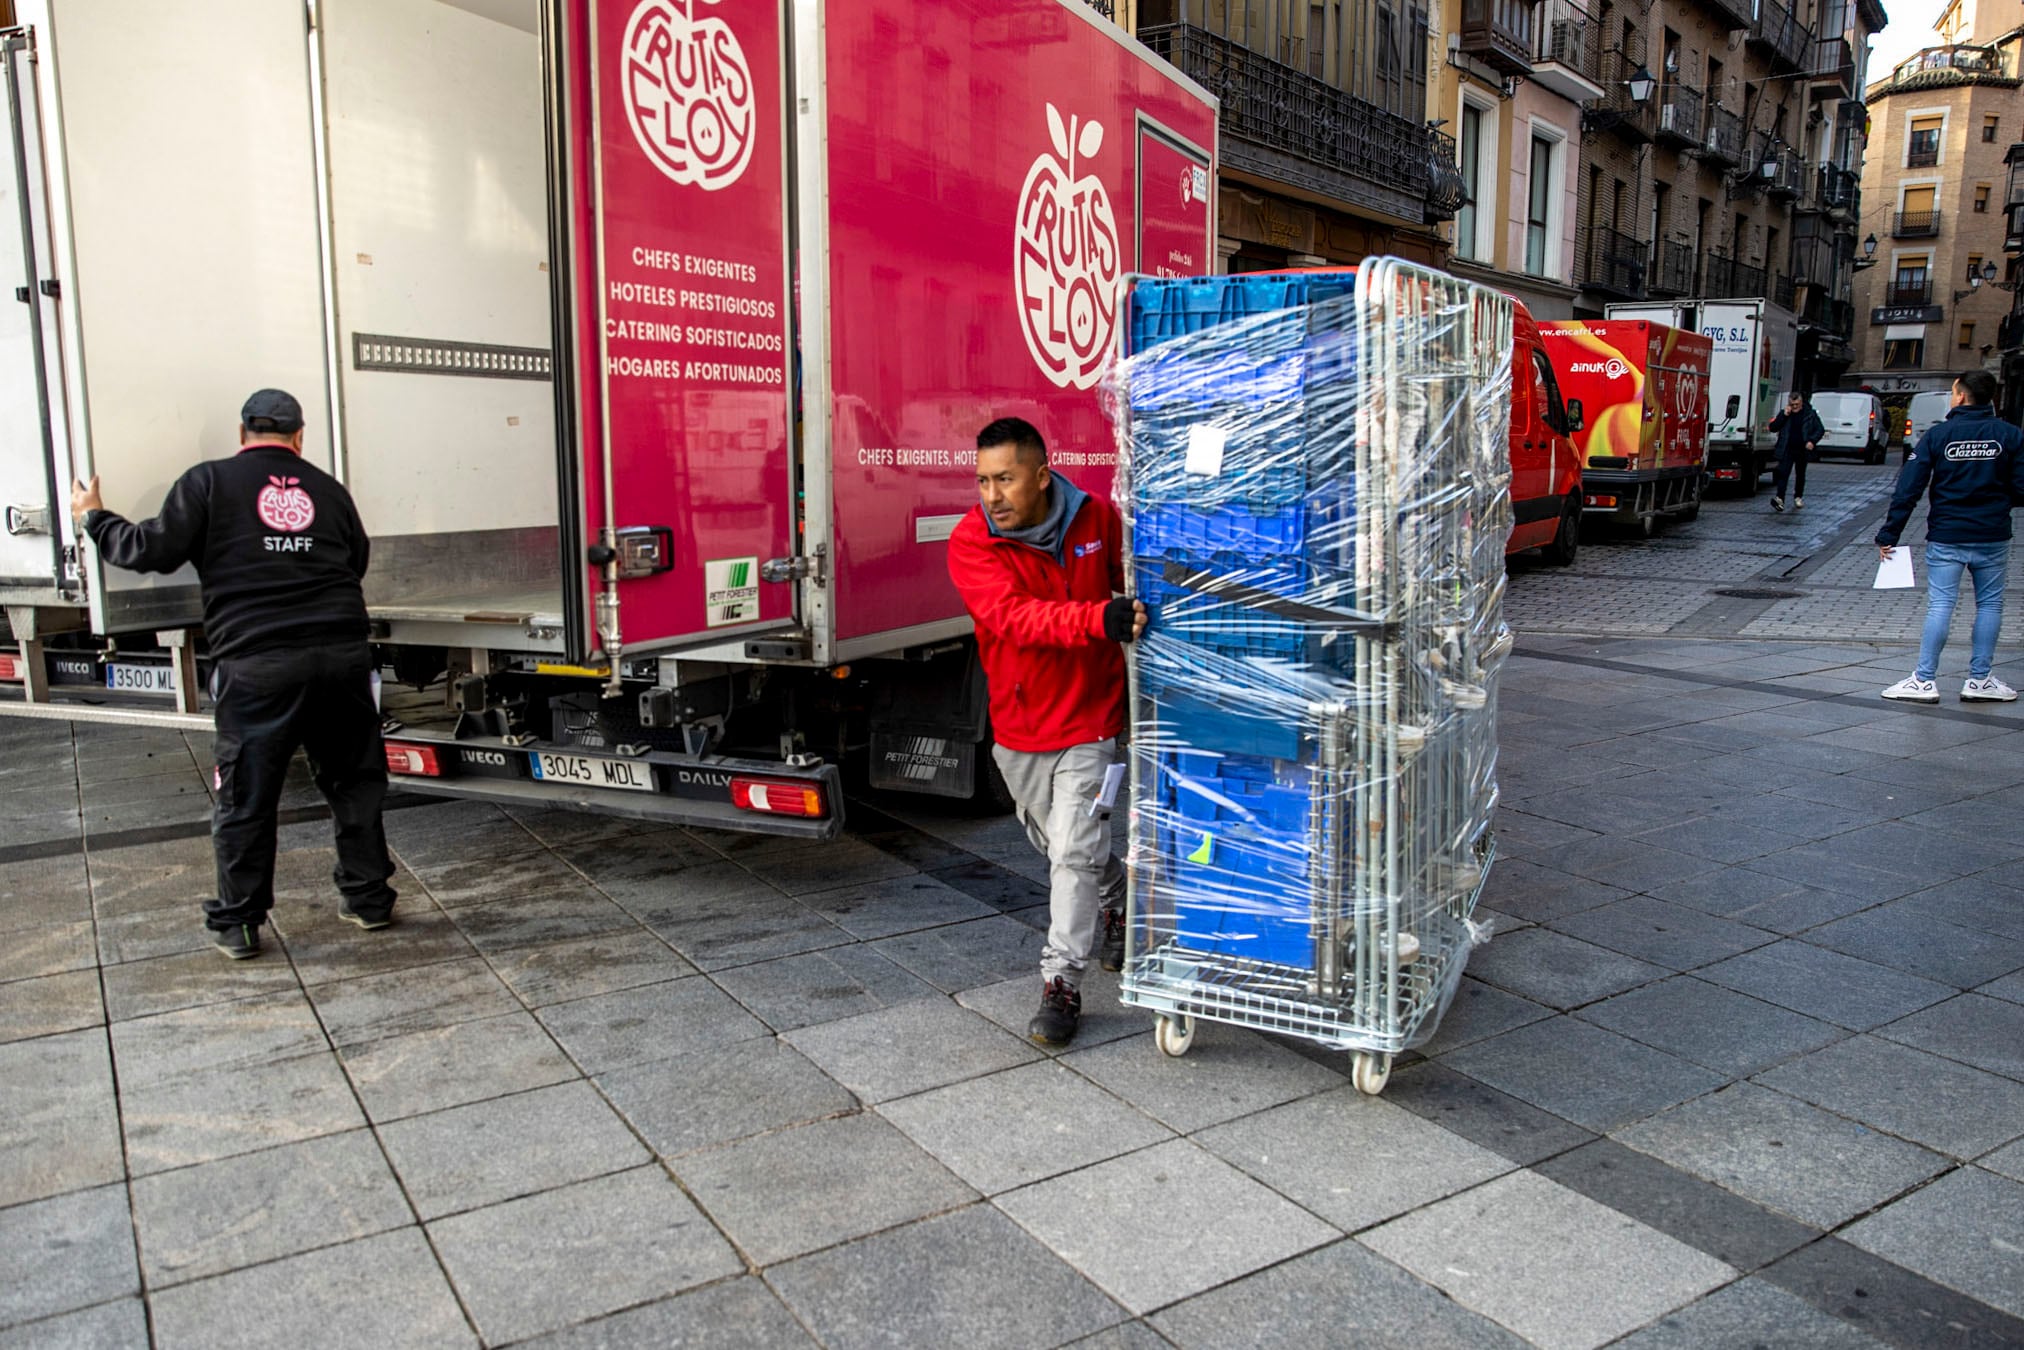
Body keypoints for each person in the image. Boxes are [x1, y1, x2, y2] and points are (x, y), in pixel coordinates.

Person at [70, 389, 397, 958]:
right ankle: (369, 901)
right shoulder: (328, 489)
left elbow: (151, 550)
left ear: (242, 433)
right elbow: (357, 560)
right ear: (299, 437)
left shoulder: (209, 482)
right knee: (355, 783)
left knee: (246, 796)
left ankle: (239, 924)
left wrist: (94, 518)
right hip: (342, 657)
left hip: (258, 663)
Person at [948, 416, 1146, 1046]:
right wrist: (1099, 619)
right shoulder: (971, 542)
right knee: (1059, 845)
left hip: (1091, 719)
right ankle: (1120, 897)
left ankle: (1062, 982)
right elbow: (1012, 618)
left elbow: (1133, 581)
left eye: (1004, 479)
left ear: (1041, 474)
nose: (992, 496)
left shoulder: (1094, 519)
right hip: (1021, 727)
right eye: (982, 481)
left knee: (1072, 851)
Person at [1876, 369, 2024, 703]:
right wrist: (1996, 500)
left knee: (1941, 603)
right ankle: (1980, 680)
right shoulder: (2011, 435)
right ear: (1992, 398)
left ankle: (1924, 680)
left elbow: (1908, 488)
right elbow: (2022, 488)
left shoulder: (1938, 436)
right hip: (1992, 535)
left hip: (1947, 535)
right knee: (1990, 603)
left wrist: (1890, 534)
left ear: (1960, 396)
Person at [1767, 391, 1823, 512]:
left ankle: (1798, 496)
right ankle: (1780, 498)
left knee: (1800, 474)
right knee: (1783, 473)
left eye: (1797, 404)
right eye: (1792, 404)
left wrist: (1812, 441)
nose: (1794, 407)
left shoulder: (1810, 414)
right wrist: (1783, 415)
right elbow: (1773, 427)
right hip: (1787, 448)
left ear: (1801, 402)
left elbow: (1820, 429)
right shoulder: (1786, 413)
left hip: (1802, 449)